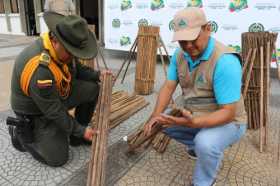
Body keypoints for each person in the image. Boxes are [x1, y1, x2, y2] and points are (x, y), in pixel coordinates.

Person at [144, 7, 247, 186]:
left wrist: (194, 123)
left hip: (230, 122)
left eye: (193, 39)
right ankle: (200, 148)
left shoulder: (225, 61)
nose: (189, 46)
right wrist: (155, 116)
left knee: (205, 142)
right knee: (162, 121)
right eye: (183, 41)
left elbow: (228, 113)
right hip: (195, 114)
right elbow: (168, 86)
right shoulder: (180, 54)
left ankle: (204, 180)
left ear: (208, 29)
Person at [8, 12, 109, 167]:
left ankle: (77, 136)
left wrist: (98, 75)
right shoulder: (40, 68)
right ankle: (21, 137)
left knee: (92, 89)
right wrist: (81, 130)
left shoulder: (64, 49)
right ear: (55, 40)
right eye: (71, 52)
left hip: (55, 94)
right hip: (36, 111)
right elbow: (53, 109)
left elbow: (78, 69)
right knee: (58, 158)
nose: (73, 56)